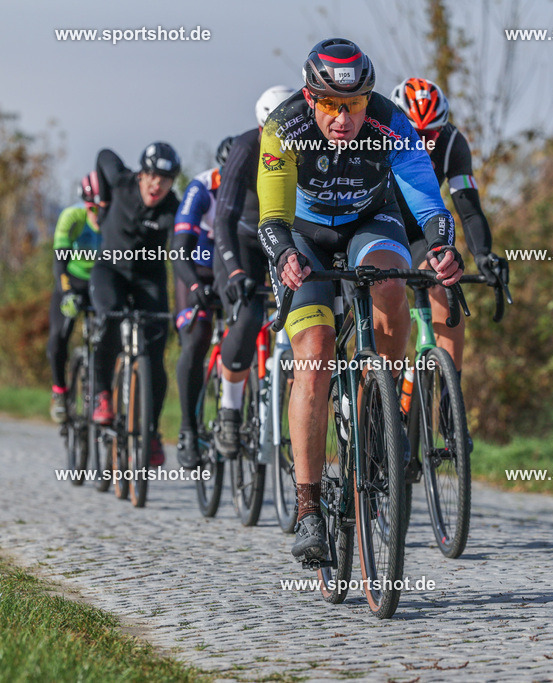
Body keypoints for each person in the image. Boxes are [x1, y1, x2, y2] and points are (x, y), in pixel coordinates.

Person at [258, 38, 463, 561]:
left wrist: (441, 246)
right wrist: (283, 254)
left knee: (393, 282)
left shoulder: (391, 123)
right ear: (310, 98)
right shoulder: (284, 127)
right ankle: (307, 508)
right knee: (317, 348)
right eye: (331, 104)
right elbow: (272, 216)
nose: (343, 118)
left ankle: (380, 413)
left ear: (368, 99)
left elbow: (423, 193)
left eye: (353, 104)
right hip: (302, 234)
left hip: (369, 223)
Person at [389, 77, 508, 372]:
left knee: (445, 283)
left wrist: (483, 254)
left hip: (418, 232)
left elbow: (468, 210)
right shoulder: (376, 137)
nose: (424, 144)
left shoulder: (453, 143)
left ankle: (449, 396)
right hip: (378, 228)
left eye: (432, 134)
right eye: (415, 134)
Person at [212, 86, 295, 458]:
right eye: (269, 132)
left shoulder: (307, 143)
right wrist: (233, 272)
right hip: (245, 241)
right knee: (247, 319)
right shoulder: (246, 149)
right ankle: (230, 408)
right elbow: (223, 218)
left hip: (286, 240)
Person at [90, 143, 181, 467]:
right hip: (110, 270)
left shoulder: (172, 208)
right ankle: (101, 393)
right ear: (141, 174)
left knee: (156, 353)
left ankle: (152, 433)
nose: (157, 185)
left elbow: (183, 245)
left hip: (148, 277)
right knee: (109, 319)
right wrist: (101, 202)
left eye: (166, 179)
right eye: (153, 176)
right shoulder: (122, 181)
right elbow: (103, 155)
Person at [171, 137, 231, 469]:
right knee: (196, 339)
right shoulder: (202, 187)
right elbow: (179, 249)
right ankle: (187, 429)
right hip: (195, 269)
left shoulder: (259, 184)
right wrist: (193, 284)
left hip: (228, 272)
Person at [48, 172, 102, 422]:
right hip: (73, 279)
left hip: (101, 283)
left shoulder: (116, 221)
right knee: (59, 336)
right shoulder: (72, 217)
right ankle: (60, 392)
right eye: (93, 208)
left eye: (103, 208)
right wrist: (67, 291)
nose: (98, 215)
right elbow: (59, 262)